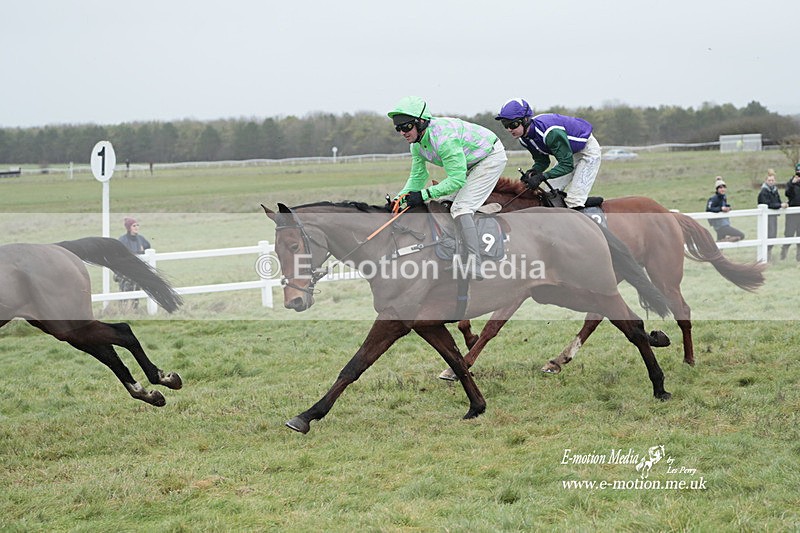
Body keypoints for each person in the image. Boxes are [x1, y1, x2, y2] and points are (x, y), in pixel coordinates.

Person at [388, 96, 507, 280]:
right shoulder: (416, 145)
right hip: (469, 162)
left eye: (406, 127)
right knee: (443, 203)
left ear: (421, 122)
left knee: (461, 207)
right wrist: (400, 198)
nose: (402, 132)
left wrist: (424, 194)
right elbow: (418, 177)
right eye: (398, 128)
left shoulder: (444, 139)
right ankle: (456, 252)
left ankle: (475, 263)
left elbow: (457, 180)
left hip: (489, 158)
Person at [494, 98, 601, 209]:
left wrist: (542, 176)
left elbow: (567, 165)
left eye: (513, 124)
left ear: (525, 120)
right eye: (505, 124)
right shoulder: (524, 139)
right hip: (569, 153)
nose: (509, 129)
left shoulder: (551, 134)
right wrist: (533, 172)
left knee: (574, 201)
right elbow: (542, 161)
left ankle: (585, 208)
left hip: (587, 151)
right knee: (547, 195)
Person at [757, 171, 788, 261]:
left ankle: (768, 256)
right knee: (769, 235)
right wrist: (779, 205)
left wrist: (782, 204)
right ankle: (765, 256)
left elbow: (777, 201)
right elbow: (767, 204)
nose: (771, 182)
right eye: (769, 180)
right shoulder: (764, 192)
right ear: (766, 181)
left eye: (772, 180)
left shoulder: (774, 190)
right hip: (767, 217)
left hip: (773, 216)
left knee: (773, 235)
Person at [117, 217, 151, 298]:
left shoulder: (141, 239)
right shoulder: (122, 240)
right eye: (134, 226)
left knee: (136, 293)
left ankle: (134, 306)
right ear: (129, 228)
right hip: (125, 272)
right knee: (126, 294)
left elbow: (148, 249)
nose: (136, 227)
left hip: (138, 270)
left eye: (137, 225)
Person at [706, 177, 745, 242]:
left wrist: (728, 207)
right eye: (720, 188)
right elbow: (709, 209)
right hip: (720, 226)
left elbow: (723, 206)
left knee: (720, 245)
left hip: (724, 224)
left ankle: (722, 242)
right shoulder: (713, 198)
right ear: (717, 189)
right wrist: (720, 209)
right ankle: (725, 241)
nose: (723, 189)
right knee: (741, 235)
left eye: (724, 187)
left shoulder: (723, 197)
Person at [781, 163, 800, 261]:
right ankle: (783, 255)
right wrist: (793, 184)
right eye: (798, 172)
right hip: (792, 213)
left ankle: (799, 257)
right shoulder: (791, 182)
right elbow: (787, 194)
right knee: (789, 234)